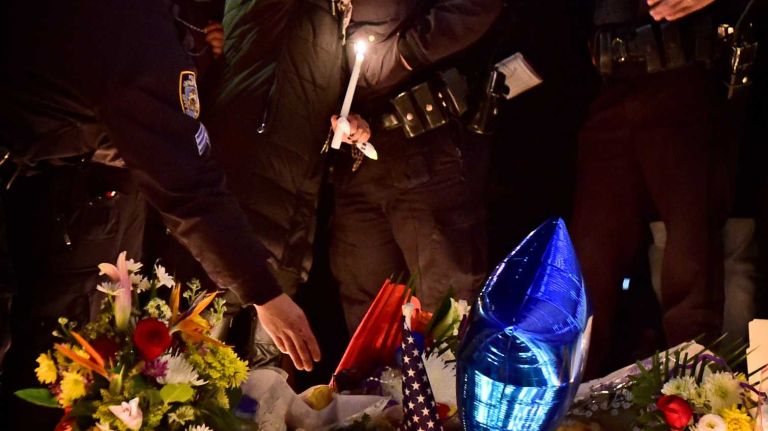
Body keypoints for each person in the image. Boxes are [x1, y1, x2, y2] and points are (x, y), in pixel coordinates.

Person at [0, 0, 319, 426]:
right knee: (56, 379)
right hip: (67, 206)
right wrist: (261, 290)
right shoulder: (127, 22)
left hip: (65, 194)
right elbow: (185, 179)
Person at [570, 0, 751, 376]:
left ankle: (697, 401)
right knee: (588, 262)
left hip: (688, 73)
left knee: (693, 263)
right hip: (608, 80)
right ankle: (570, 400)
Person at [329, 0, 503, 332]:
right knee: (368, 322)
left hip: (424, 147)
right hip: (354, 163)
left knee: (445, 310)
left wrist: (407, 52)